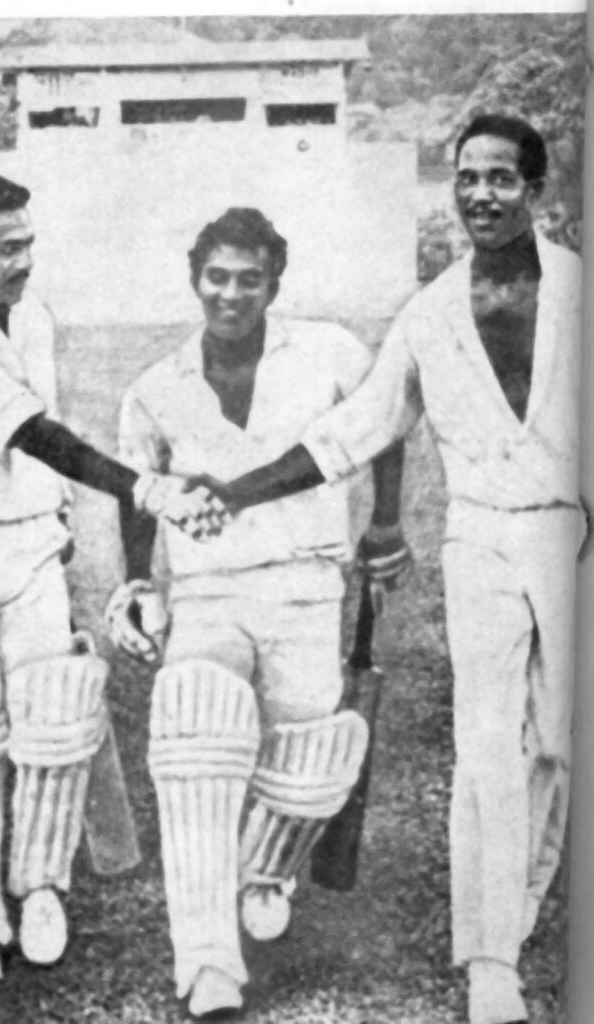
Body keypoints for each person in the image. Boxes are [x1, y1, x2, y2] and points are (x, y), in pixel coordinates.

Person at [196, 116, 584, 1024]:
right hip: (481, 539)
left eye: (500, 178)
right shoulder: (432, 311)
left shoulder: (576, 288)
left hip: (571, 535)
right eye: (466, 178)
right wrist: (240, 488)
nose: (481, 195)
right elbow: (354, 429)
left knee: (559, 747)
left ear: (537, 190)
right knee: (487, 747)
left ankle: (519, 907)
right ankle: (492, 958)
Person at [0, 175, 221, 984]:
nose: (25, 262)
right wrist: (143, 487)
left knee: (56, 714)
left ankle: (42, 886)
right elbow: (38, 433)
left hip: (26, 553)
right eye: (7, 249)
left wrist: (51, 520)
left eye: (28, 243)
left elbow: (31, 458)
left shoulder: (35, 321)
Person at [105, 206, 410, 1019]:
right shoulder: (157, 384)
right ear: (194, 278)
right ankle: (207, 959)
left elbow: (383, 429)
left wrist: (385, 522)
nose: (231, 294)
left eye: (249, 279)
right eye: (217, 277)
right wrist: (139, 582)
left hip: (308, 583)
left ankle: (266, 866)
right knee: (196, 729)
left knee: (309, 763)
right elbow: (140, 493)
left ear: (275, 282)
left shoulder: (330, 352)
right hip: (206, 589)